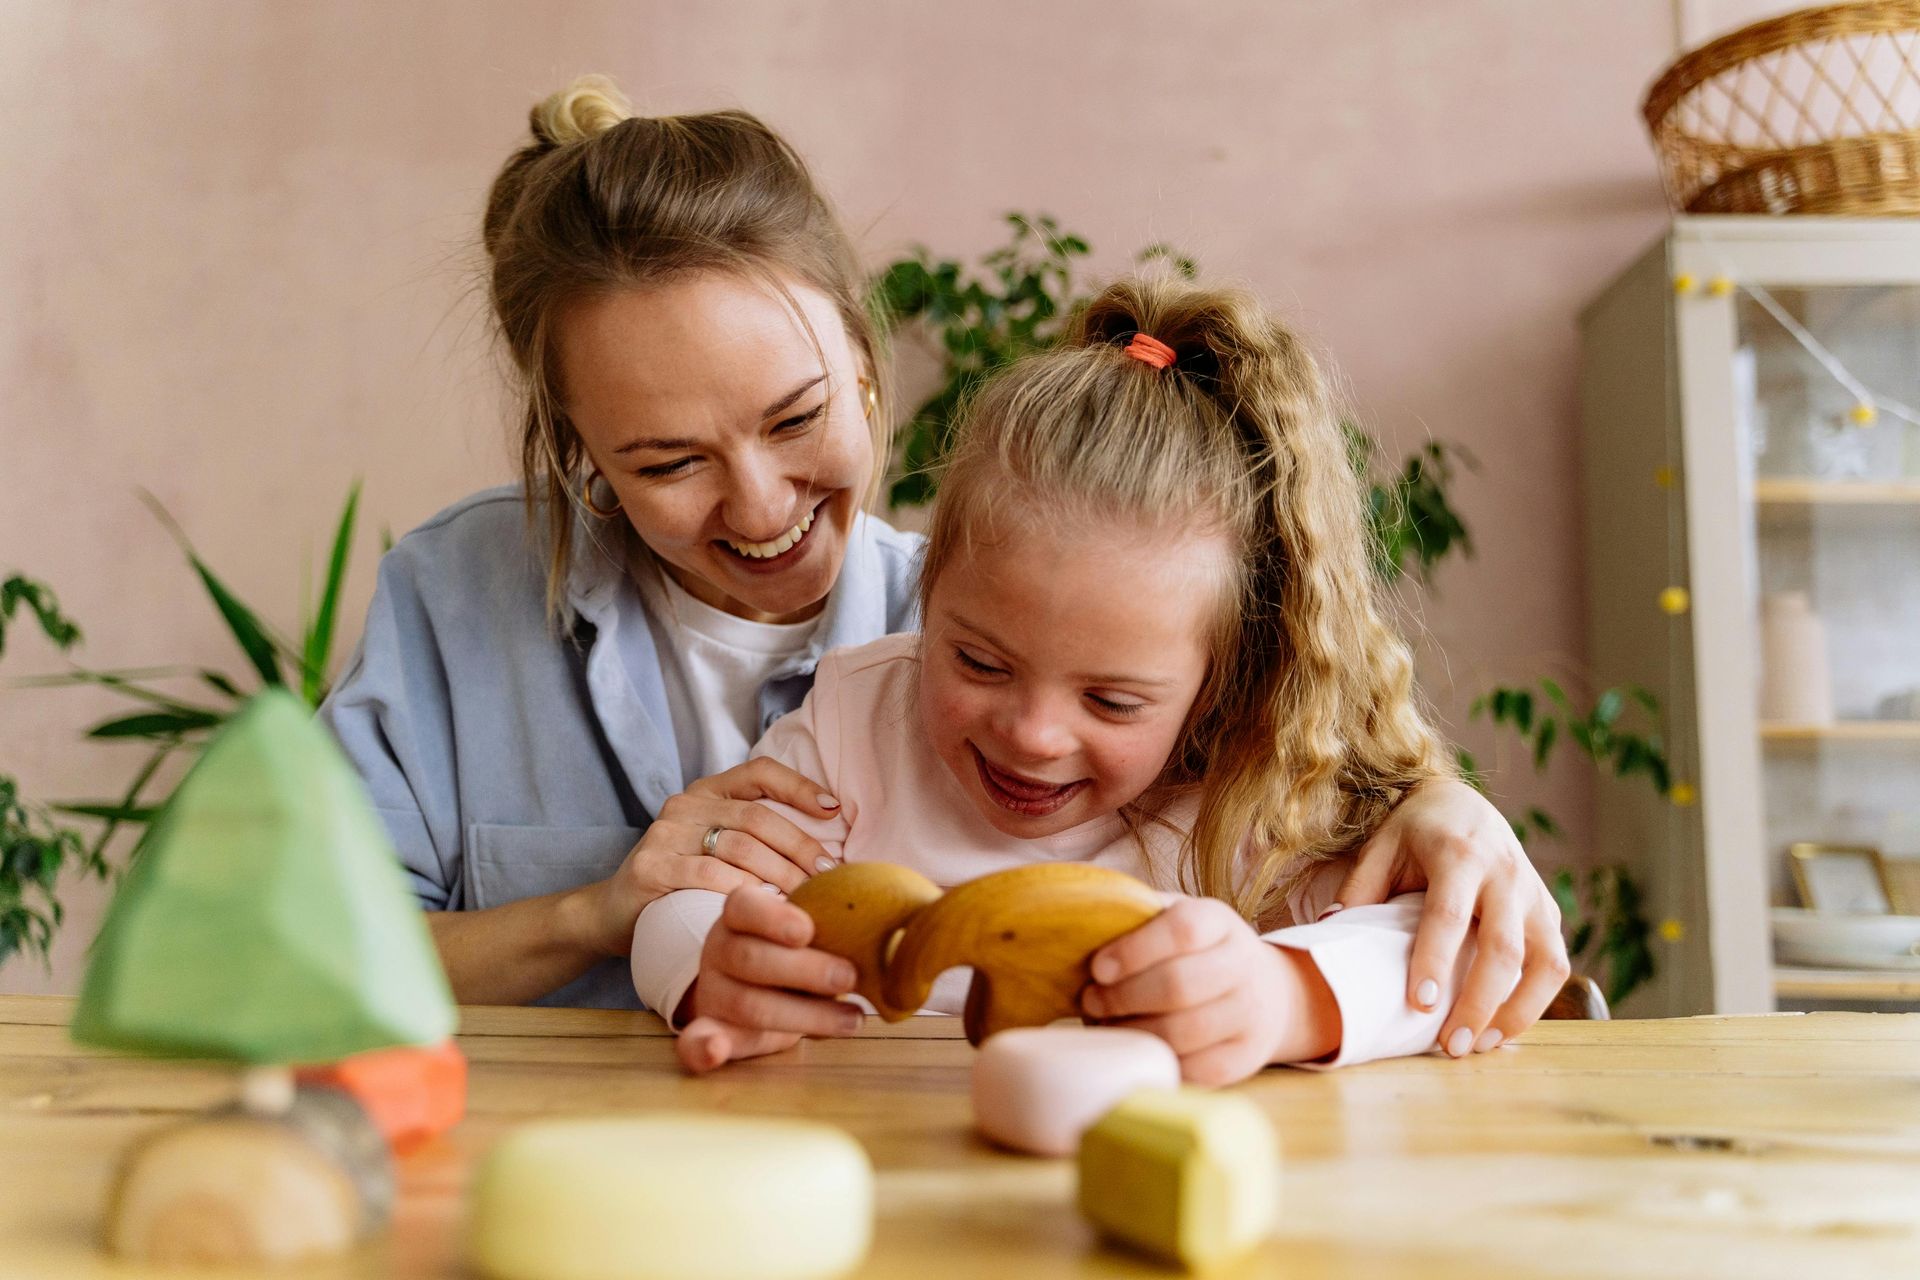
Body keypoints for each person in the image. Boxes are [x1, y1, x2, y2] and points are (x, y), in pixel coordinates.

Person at [318, 75, 1568, 1057]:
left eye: (797, 417)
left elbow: (1408, 921)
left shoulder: (1019, 605)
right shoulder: (479, 604)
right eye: (664, 461)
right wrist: (624, 917)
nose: (761, 506)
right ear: (578, 451)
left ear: (866, 364)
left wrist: (1430, 814)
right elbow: (298, 971)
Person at [638, 276, 1514, 1081]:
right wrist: (710, 964)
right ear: (925, 587)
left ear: (1218, 680)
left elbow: (1456, 948)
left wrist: (1286, 1000)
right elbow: (681, 906)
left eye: (1112, 700)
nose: (1033, 734)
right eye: (978, 661)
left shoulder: (1258, 789)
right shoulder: (851, 726)